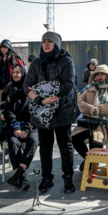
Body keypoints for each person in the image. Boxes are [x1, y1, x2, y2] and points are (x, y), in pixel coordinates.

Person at [24, 31, 77, 194]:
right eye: (44, 41)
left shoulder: (66, 60)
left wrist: (48, 96)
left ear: (56, 44)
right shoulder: (36, 63)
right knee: (45, 146)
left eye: (50, 41)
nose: (46, 43)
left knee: (64, 144)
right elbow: (27, 84)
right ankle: (47, 178)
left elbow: (68, 84)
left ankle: (68, 177)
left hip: (61, 109)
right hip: (41, 110)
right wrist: (41, 101)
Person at [72, 65, 108, 171]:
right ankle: (88, 160)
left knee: (96, 140)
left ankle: (91, 164)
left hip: (103, 123)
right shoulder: (89, 89)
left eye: (102, 74)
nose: (99, 76)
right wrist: (90, 108)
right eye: (97, 74)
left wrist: (99, 109)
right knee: (74, 138)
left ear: (107, 75)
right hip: (88, 122)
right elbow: (80, 102)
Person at [3, 69, 38, 191]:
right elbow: (8, 112)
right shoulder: (14, 95)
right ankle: (20, 176)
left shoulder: (35, 97)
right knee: (13, 142)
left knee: (33, 140)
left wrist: (26, 130)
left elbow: (35, 116)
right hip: (14, 127)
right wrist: (17, 128)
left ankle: (19, 174)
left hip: (31, 128)